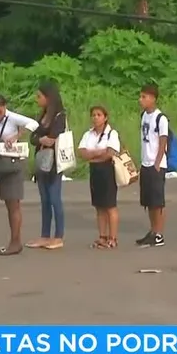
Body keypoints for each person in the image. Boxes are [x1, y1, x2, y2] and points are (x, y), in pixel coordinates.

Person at [0, 95, 40, 256]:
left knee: (14, 203)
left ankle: (16, 242)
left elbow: (34, 124)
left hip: (13, 163)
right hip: (1, 164)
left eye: (0, 111)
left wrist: (17, 135)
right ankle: (14, 241)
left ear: (4, 107)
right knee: (9, 203)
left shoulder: (13, 118)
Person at [27, 82, 67, 250]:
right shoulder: (42, 115)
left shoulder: (59, 116)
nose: (37, 99)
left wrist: (42, 139)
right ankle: (44, 235)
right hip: (41, 159)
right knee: (44, 200)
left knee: (54, 198)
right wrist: (40, 139)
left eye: (40, 96)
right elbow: (33, 137)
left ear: (48, 97)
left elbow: (54, 138)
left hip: (54, 162)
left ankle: (58, 236)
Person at [78, 106, 121, 249]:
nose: (95, 118)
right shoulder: (88, 134)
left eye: (99, 115)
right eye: (93, 115)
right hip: (95, 171)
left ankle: (113, 237)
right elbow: (82, 152)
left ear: (105, 117)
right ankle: (102, 236)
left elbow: (110, 153)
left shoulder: (111, 134)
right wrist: (98, 153)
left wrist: (93, 155)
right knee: (99, 206)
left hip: (107, 170)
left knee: (110, 205)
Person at [136, 83, 169, 248]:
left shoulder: (160, 118)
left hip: (156, 164)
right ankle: (152, 231)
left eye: (144, 97)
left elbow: (163, 140)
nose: (141, 100)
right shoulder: (143, 115)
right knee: (148, 200)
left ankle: (159, 233)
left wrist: (157, 162)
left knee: (157, 201)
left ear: (153, 99)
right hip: (145, 162)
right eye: (141, 96)